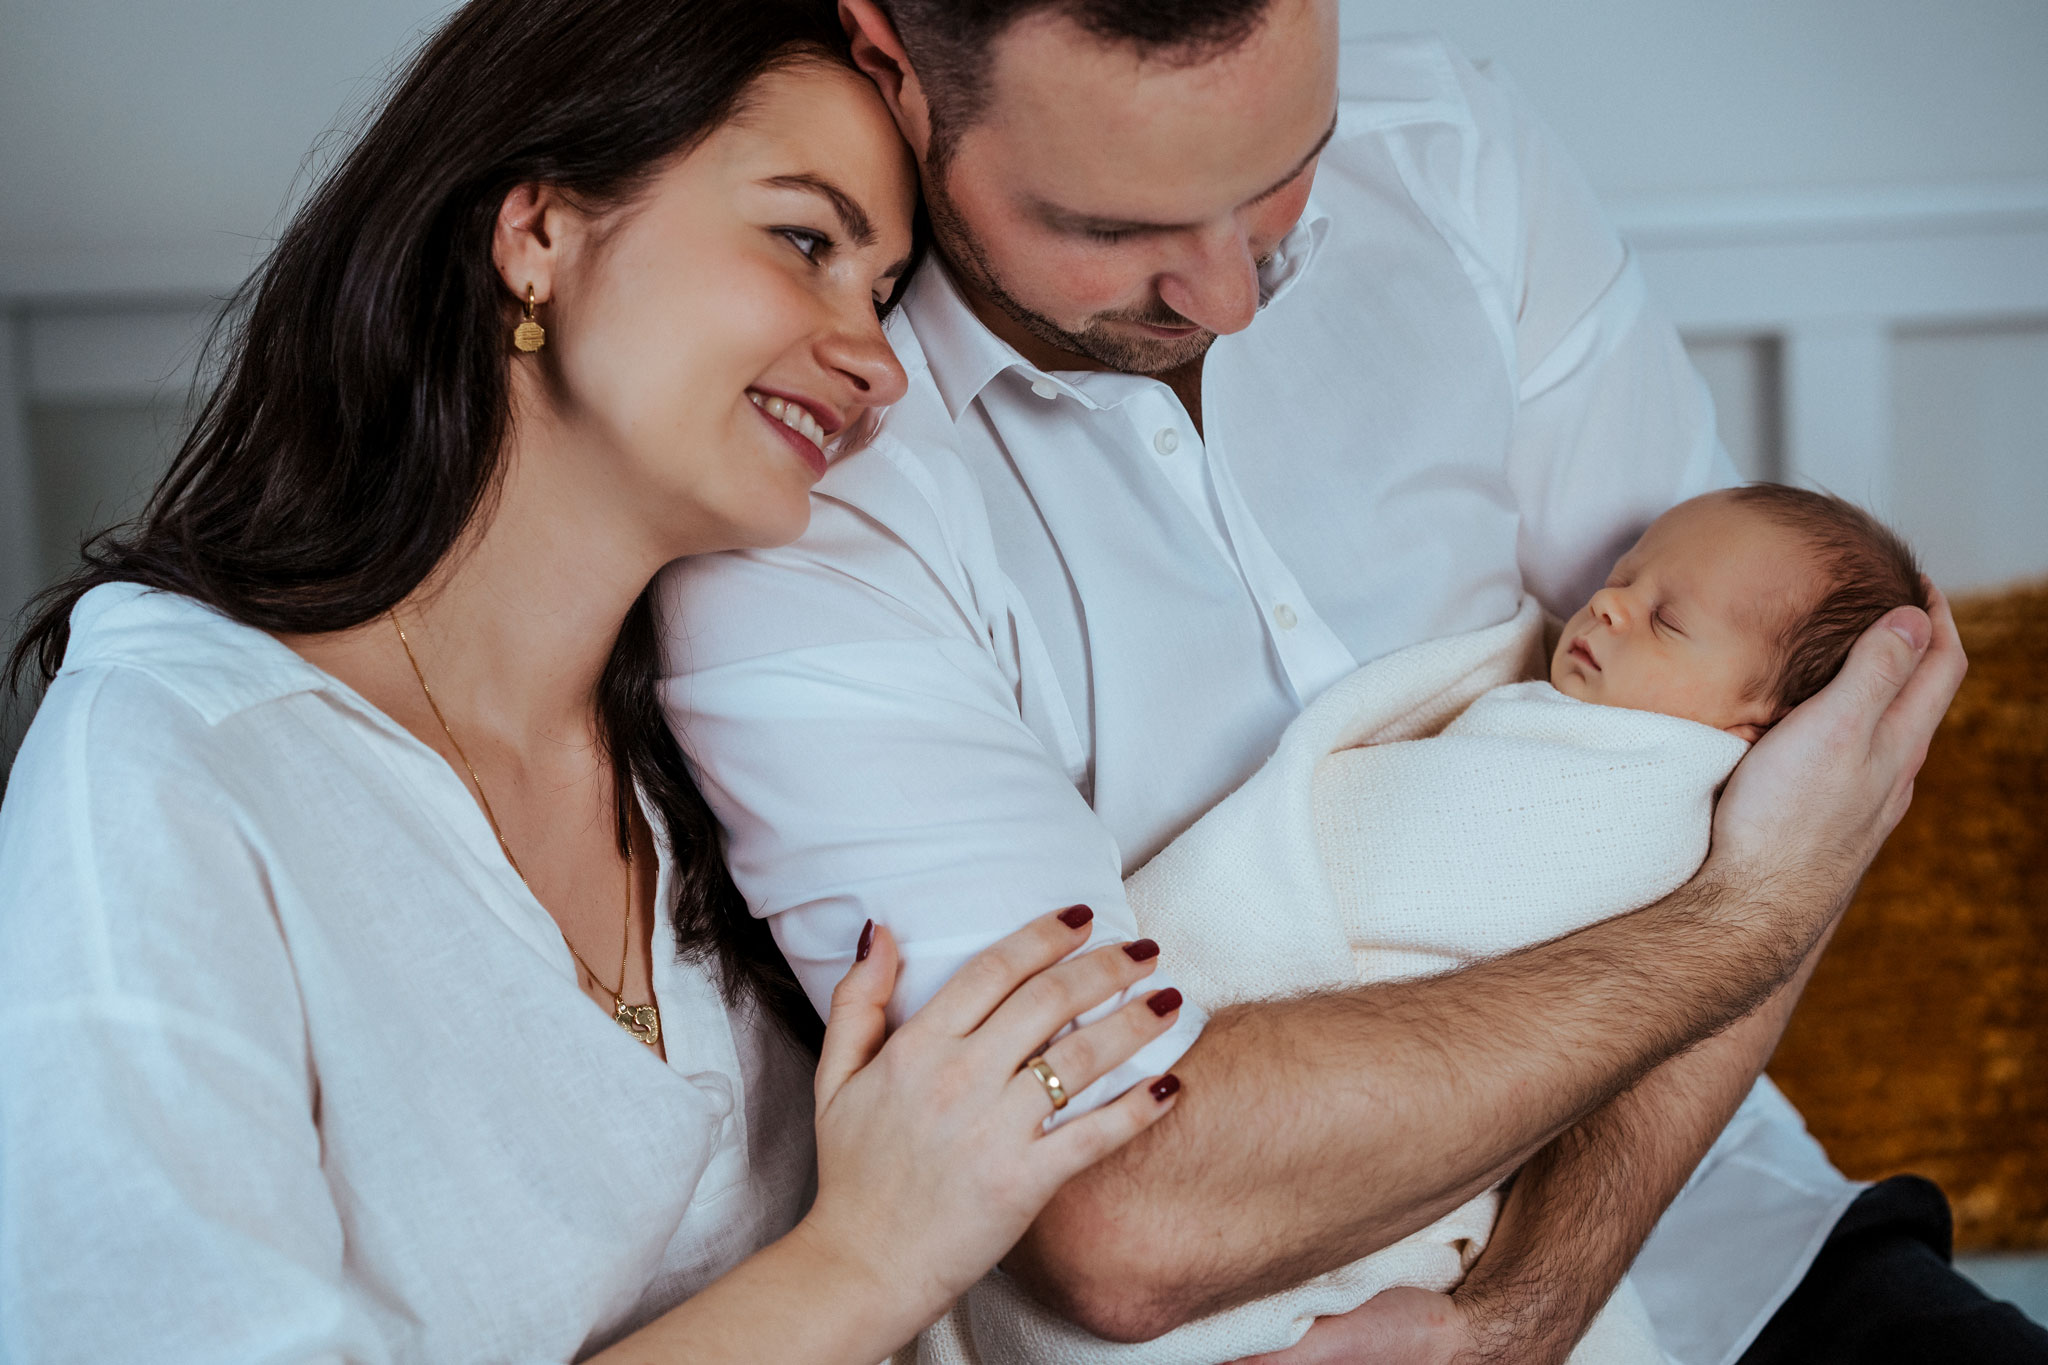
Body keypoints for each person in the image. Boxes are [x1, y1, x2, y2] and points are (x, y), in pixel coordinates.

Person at [654, 3, 2007, 1363]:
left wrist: (1521, 1312)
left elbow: (1803, 746)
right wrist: (1736, 919)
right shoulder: (804, 481)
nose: (1234, 302)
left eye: (1278, 178)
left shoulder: (1452, 153)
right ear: (898, 72)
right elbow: (1122, 1213)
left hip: (1702, 1216)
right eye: (1113, 230)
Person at [0, 3, 1189, 1361]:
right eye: (805, 241)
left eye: (882, 292)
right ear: (540, 231)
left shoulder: (712, 764)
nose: (874, 361)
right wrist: (865, 1256)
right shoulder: (170, 774)